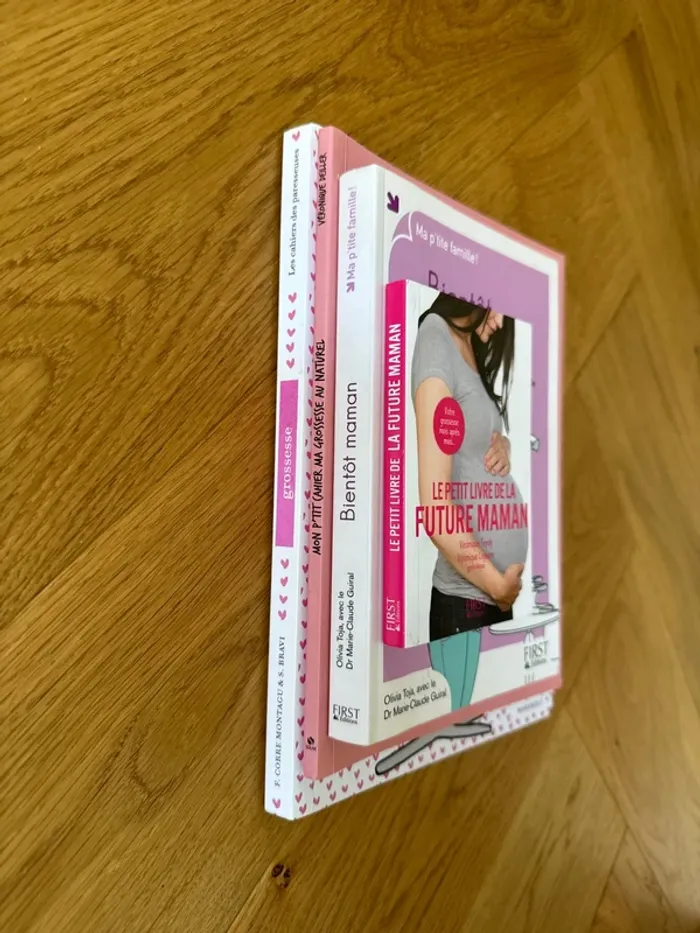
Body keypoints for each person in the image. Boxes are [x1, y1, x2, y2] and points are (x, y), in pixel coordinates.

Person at [412, 292, 528, 710]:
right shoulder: (435, 337)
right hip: (466, 600)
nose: (498, 325)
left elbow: (473, 438)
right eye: (498, 311)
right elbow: (435, 509)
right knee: (457, 728)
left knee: (488, 726)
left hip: (491, 596)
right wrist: (498, 586)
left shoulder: (470, 348)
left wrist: (504, 446)